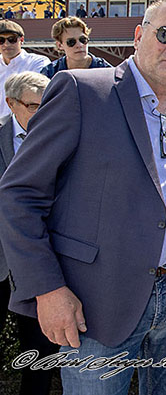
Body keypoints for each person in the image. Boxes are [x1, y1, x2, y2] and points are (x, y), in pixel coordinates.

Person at [0, 0, 166, 394]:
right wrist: (47, 289)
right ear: (138, 35)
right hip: (95, 300)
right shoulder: (82, 91)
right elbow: (20, 192)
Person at [0, 71, 59, 395]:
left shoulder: (59, 137)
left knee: (38, 355)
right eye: (34, 106)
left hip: (38, 265)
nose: (43, 113)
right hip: (0, 261)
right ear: (11, 104)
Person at [0, 20, 50, 118]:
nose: (6, 44)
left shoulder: (38, 62)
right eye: (1, 40)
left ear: (21, 40)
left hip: (27, 125)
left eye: (12, 39)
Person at [40, 16, 112, 79]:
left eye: (83, 40)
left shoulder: (106, 71)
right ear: (59, 45)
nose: (79, 45)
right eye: (71, 42)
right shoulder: (49, 73)